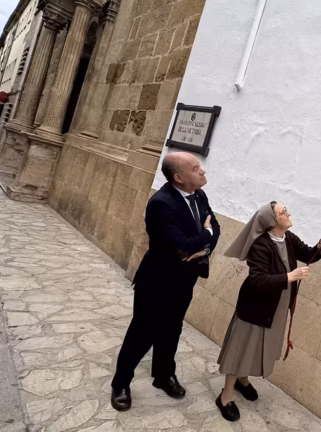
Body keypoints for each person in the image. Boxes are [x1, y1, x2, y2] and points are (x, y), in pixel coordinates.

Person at [110, 151, 221, 411]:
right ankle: (121, 383)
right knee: (141, 333)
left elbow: (216, 228)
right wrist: (205, 234)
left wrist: (204, 247)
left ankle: (163, 376)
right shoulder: (161, 203)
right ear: (179, 177)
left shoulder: (199, 195)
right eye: (196, 168)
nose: (202, 171)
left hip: (184, 280)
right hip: (157, 282)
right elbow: (180, 246)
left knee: (172, 330)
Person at [215, 202, 321, 421]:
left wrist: (320, 247)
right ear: (272, 221)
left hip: (276, 308)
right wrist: (289, 276)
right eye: (283, 212)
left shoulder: (288, 238)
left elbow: (308, 254)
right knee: (241, 349)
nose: (288, 213)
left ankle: (243, 380)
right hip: (255, 307)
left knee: (258, 346)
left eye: (287, 209)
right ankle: (226, 396)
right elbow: (257, 279)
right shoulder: (260, 244)